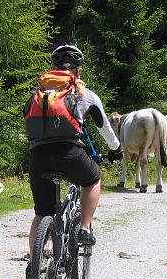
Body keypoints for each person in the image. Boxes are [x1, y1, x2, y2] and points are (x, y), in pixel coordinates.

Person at [28, 44, 122, 253]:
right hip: (70, 153)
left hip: (38, 156)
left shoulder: (38, 94)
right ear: (78, 70)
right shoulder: (85, 94)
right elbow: (104, 128)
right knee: (92, 179)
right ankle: (85, 228)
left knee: (42, 213)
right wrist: (116, 148)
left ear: (54, 68)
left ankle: (33, 263)